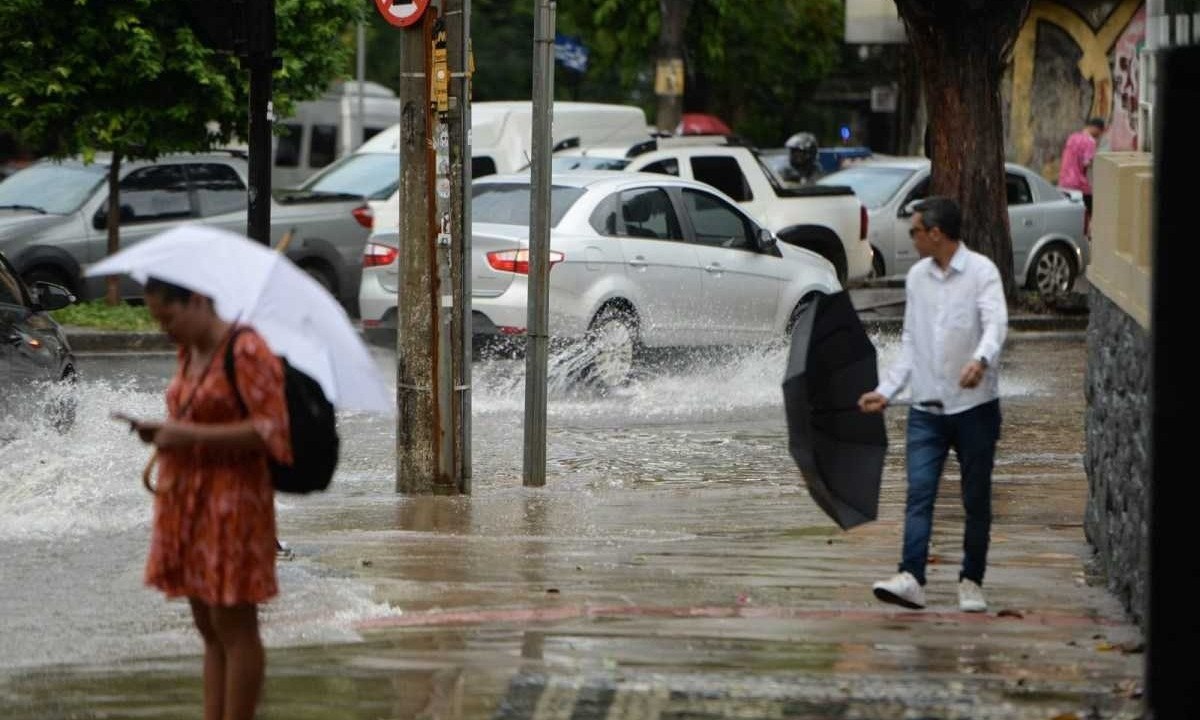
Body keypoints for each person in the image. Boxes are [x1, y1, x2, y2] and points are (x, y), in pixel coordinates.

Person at [122, 278, 291, 720]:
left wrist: (188, 434)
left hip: (232, 502)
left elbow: (272, 429)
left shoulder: (247, 350)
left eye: (170, 317)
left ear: (196, 300)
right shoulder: (189, 349)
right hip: (187, 501)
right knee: (208, 628)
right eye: (158, 320)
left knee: (234, 625)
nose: (166, 330)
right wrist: (161, 432)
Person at [858, 196, 1007, 613]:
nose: (913, 238)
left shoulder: (982, 273)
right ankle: (911, 577)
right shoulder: (917, 279)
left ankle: (972, 581)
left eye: (915, 231)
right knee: (919, 493)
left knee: (975, 498)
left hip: (975, 408)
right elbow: (911, 340)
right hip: (926, 409)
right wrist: (886, 390)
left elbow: (996, 322)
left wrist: (981, 360)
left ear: (936, 233)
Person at [1058, 117, 1106, 215]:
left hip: (1064, 181)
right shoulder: (1090, 142)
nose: (1100, 135)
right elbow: (1087, 163)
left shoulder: (1072, 137)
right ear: (1096, 128)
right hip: (1079, 184)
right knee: (1091, 212)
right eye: (1100, 132)